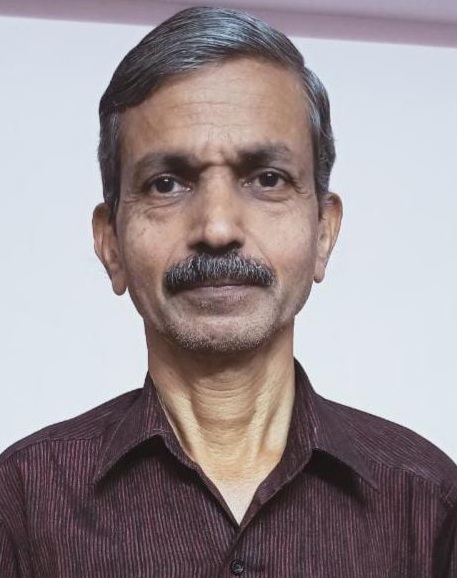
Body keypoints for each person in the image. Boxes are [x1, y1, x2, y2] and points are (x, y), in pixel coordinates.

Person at [1, 6, 456, 577]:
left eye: (267, 178)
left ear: (323, 232)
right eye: (166, 184)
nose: (217, 228)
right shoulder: (21, 501)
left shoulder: (427, 501)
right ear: (110, 243)